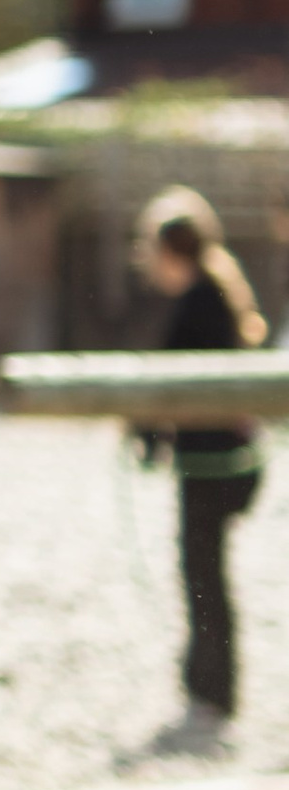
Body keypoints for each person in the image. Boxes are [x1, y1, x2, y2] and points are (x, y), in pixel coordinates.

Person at [131, 185, 269, 722]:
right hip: (224, 455)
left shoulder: (200, 302)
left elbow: (178, 385)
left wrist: (150, 427)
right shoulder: (217, 289)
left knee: (203, 573)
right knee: (206, 571)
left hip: (213, 462)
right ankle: (207, 679)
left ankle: (213, 686)